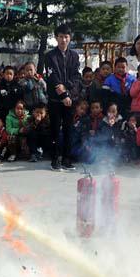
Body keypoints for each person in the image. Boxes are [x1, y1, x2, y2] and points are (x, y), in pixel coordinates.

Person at [45, 24, 82, 171]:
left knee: (68, 129)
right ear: (56, 38)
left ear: (70, 38)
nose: (63, 39)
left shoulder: (74, 55)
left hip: (70, 99)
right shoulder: (49, 56)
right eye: (60, 36)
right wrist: (62, 92)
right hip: (55, 99)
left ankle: (67, 159)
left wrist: (66, 89)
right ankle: (55, 159)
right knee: (55, 129)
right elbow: (52, 76)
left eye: (66, 37)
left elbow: (77, 76)